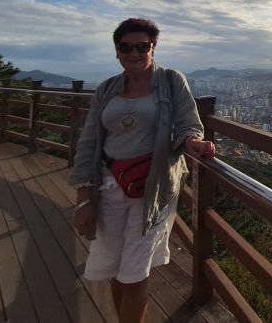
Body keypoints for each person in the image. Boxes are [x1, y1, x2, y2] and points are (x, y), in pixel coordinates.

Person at [69, 17, 215, 323]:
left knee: (134, 274)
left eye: (142, 46)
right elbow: (89, 142)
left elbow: (188, 123)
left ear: (153, 47)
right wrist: (84, 199)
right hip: (107, 186)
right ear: (117, 51)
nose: (134, 53)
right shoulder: (107, 89)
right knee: (114, 270)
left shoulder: (171, 81)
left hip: (154, 188)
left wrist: (193, 142)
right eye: (126, 47)